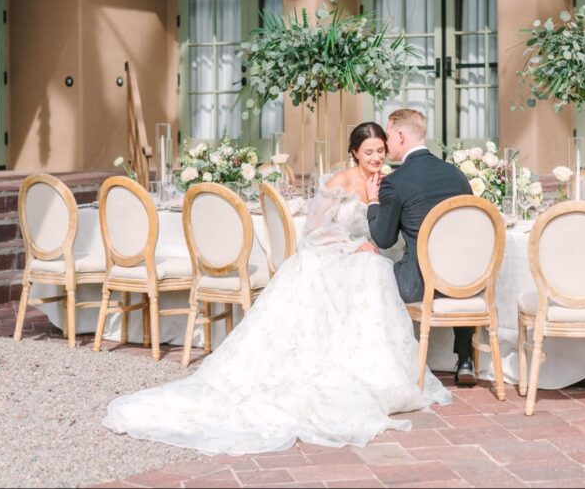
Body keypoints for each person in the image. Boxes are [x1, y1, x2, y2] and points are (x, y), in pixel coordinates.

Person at [102, 122, 450, 455]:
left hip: (365, 258)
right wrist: (351, 246)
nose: (376, 157)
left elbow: (386, 232)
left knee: (375, 272)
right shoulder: (340, 181)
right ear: (354, 153)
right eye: (369, 151)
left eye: (380, 150)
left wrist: (374, 213)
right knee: (368, 270)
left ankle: (379, 373)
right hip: (331, 256)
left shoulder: (386, 183)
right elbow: (314, 232)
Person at [366, 109, 477, 386]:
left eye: (388, 135)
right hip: (464, 283)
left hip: (418, 284)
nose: (386, 142)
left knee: (367, 271)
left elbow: (383, 239)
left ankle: (386, 360)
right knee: (459, 261)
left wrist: (372, 202)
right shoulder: (457, 176)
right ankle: (465, 358)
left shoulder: (395, 182)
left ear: (401, 135)